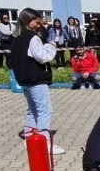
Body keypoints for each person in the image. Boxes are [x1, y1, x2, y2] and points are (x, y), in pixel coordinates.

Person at [10, 8, 65, 155]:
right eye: (37, 21)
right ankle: (45, 142)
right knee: (44, 111)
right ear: (28, 21)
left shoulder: (17, 38)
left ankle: (30, 140)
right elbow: (41, 57)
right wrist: (51, 46)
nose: (40, 24)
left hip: (25, 81)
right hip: (36, 80)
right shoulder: (32, 37)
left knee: (32, 110)